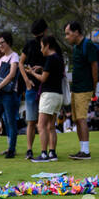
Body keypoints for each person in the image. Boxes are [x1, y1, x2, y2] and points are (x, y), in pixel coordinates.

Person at [25, 33, 65, 161]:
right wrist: (42, 68)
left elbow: (43, 78)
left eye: (42, 46)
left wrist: (31, 73)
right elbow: (52, 73)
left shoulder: (50, 58)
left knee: (41, 125)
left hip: (48, 95)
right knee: (51, 126)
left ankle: (43, 153)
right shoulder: (58, 58)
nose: (41, 49)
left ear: (47, 46)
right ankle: (52, 153)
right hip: (58, 95)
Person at [64, 19, 99, 159]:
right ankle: (82, 149)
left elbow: (94, 67)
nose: (66, 37)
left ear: (76, 32)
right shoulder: (76, 47)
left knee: (81, 118)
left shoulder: (87, 45)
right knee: (77, 119)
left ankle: (86, 151)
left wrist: (94, 87)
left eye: (68, 34)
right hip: (76, 87)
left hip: (84, 88)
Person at [18, 17, 47, 162]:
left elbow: (20, 63)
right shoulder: (32, 44)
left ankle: (35, 150)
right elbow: (21, 63)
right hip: (36, 86)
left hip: (41, 86)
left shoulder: (43, 44)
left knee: (34, 121)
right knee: (36, 121)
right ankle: (34, 150)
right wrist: (27, 80)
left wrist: (27, 80)